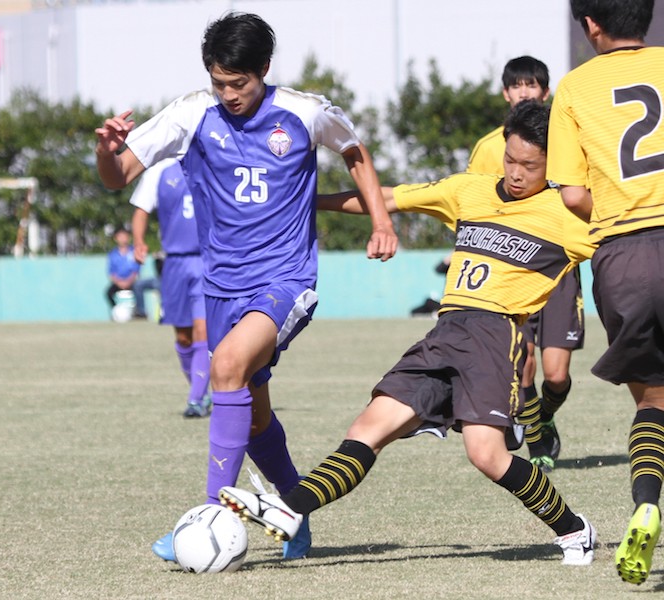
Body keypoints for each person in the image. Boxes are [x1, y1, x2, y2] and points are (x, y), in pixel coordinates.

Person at [220, 100, 598, 567]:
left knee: (487, 456)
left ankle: (574, 530)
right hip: (444, 331)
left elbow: (629, 233)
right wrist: (302, 201)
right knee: (366, 429)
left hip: (495, 336)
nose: (517, 173)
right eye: (511, 159)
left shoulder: (568, 215)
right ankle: (289, 509)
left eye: (531, 166)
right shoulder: (468, 190)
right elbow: (386, 198)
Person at [95, 11, 397, 562]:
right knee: (252, 409)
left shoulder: (304, 112)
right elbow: (118, 176)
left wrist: (381, 221)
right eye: (220, 83)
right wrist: (106, 151)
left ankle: (210, 516)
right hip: (222, 286)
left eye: (240, 83)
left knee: (226, 367)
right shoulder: (191, 113)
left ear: (264, 70)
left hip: (286, 279)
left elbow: (354, 151)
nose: (230, 94)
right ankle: (293, 511)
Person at [547, 0, 664, 585]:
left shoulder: (572, 88)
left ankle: (647, 502)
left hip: (624, 259)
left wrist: (620, 213)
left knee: (653, 401)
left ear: (591, 25)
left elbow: (571, 195)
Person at [468, 55, 584, 472]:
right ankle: (536, 439)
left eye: (531, 85)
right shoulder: (487, 148)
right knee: (524, 365)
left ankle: (544, 416)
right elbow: (473, 206)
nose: (524, 91)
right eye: (516, 85)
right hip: (511, 275)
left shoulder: (568, 141)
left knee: (556, 374)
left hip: (559, 273)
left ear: (545, 92)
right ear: (505, 93)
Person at [129, 157, 212, 419]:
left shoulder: (214, 160)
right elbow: (141, 209)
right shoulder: (159, 171)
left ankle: (196, 399)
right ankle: (201, 392)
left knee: (203, 331)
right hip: (174, 262)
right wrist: (139, 241)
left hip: (207, 260)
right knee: (183, 336)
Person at [105, 226, 157, 320]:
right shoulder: (112, 254)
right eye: (120, 236)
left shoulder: (134, 251)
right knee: (108, 292)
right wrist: (119, 282)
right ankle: (115, 312)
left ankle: (140, 312)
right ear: (116, 238)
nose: (123, 238)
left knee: (138, 287)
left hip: (132, 282)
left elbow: (136, 270)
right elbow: (111, 273)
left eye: (125, 236)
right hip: (118, 282)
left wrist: (128, 281)